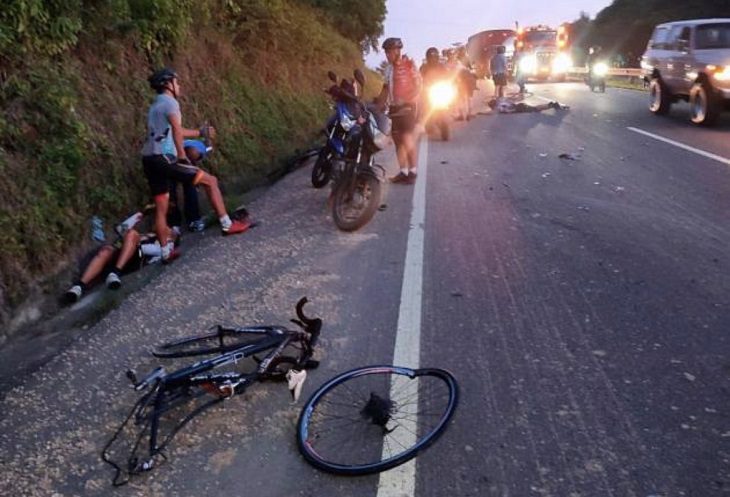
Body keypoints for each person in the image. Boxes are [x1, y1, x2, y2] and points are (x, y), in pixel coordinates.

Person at [141, 68, 252, 261]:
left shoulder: (156, 105)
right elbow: (176, 131)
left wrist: (199, 132)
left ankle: (166, 252)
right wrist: (183, 156)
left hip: (149, 158)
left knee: (161, 205)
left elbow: (174, 130)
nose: (179, 85)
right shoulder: (171, 102)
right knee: (210, 181)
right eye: (176, 82)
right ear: (168, 84)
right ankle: (227, 224)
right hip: (165, 158)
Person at [64, 216, 180, 303]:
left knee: (132, 234)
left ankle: (115, 272)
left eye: (167, 227)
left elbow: (148, 250)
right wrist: (139, 216)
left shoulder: (166, 245)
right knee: (106, 251)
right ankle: (79, 287)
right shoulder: (149, 234)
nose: (163, 225)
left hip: (138, 257)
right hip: (124, 252)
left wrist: (135, 240)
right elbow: (120, 229)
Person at [377, 38, 422, 185]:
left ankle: (413, 171)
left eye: (389, 52)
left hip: (408, 108)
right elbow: (385, 89)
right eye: (386, 52)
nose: (387, 55)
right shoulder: (388, 68)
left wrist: (408, 100)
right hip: (394, 108)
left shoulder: (409, 64)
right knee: (397, 141)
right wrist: (378, 104)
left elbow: (419, 86)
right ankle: (403, 171)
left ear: (397, 51)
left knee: (407, 138)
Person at [488, 97, 568, 114]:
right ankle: (550, 105)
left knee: (536, 109)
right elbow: (511, 101)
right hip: (520, 105)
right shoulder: (502, 102)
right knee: (536, 108)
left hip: (520, 108)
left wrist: (511, 111)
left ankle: (551, 105)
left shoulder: (500, 107)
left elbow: (509, 110)